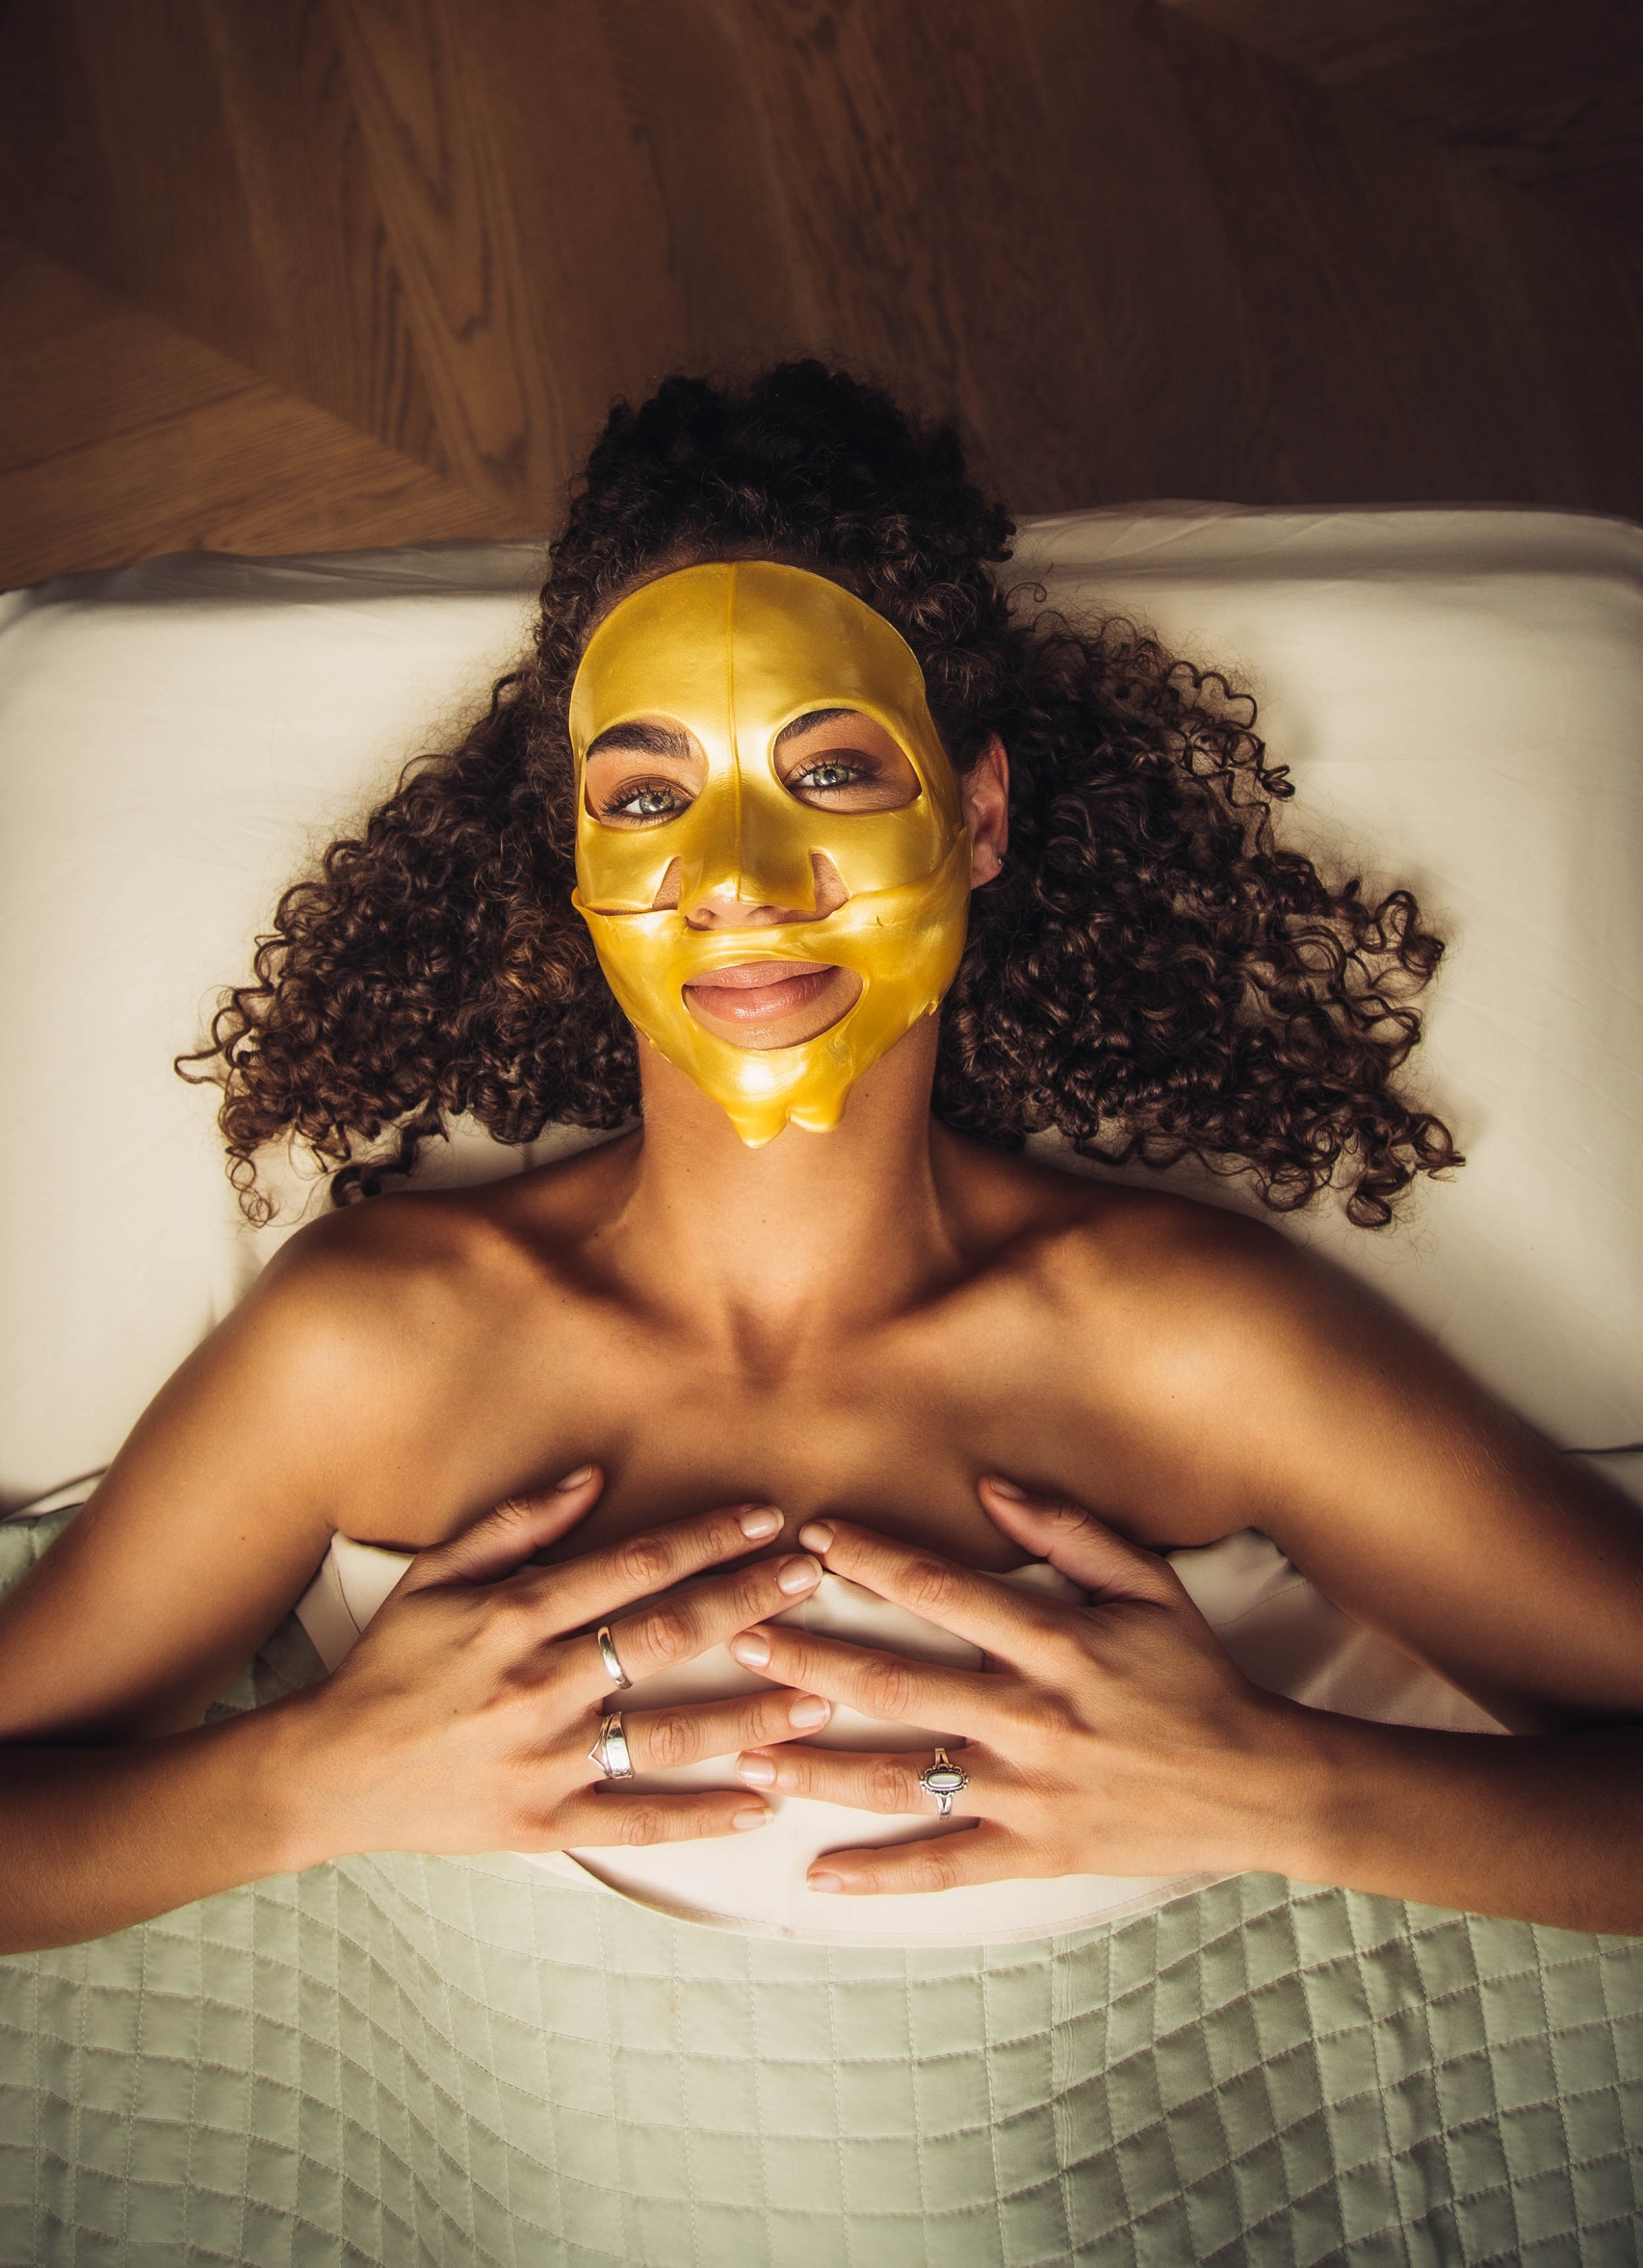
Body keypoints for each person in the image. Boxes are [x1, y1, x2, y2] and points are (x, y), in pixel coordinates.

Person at [1, 363, 1639, 1958]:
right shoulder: (368, 1347)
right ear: (577, 856)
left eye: (831, 771)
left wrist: (1291, 1793)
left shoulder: (1189, 1344)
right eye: (648, 796)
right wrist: (302, 1784)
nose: (738, 881)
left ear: (976, 820)